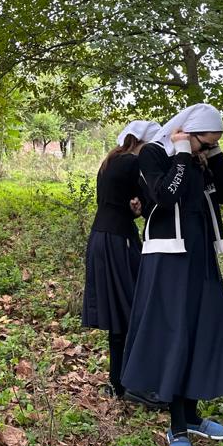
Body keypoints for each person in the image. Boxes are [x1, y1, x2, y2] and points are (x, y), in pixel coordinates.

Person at [120, 103, 223, 446]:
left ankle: (193, 415)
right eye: (207, 141)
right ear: (188, 133)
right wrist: (184, 154)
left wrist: (213, 155)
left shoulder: (202, 158)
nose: (209, 147)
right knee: (176, 333)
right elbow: (165, 195)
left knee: (204, 328)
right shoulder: (155, 154)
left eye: (214, 142)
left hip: (200, 255)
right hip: (169, 258)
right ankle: (177, 425)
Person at [83, 120, 160, 401]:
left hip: (103, 237)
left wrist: (134, 208)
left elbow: (121, 201)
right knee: (131, 310)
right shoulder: (133, 163)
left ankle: (119, 381)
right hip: (118, 241)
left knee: (120, 313)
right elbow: (156, 199)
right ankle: (130, 383)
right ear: (144, 143)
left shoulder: (111, 161)